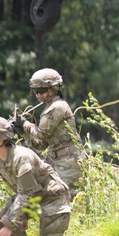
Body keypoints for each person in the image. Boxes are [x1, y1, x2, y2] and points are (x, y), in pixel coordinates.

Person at [0, 116, 71, 236]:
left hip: (53, 198)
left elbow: (25, 193)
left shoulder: (22, 158)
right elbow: (20, 190)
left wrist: (11, 224)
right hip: (33, 197)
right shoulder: (0, 163)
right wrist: (21, 216)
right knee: (1, 220)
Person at [14, 68, 83, 198]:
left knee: (71, 200)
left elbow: (42, 133)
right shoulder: (48, 108)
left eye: (41, 91)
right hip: (55, 161)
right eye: (35, 91)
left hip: (69, 163)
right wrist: (23, 132)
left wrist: (24, 124)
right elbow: (41, 145)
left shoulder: (57, 107)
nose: (38, 95)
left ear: (53, 89)